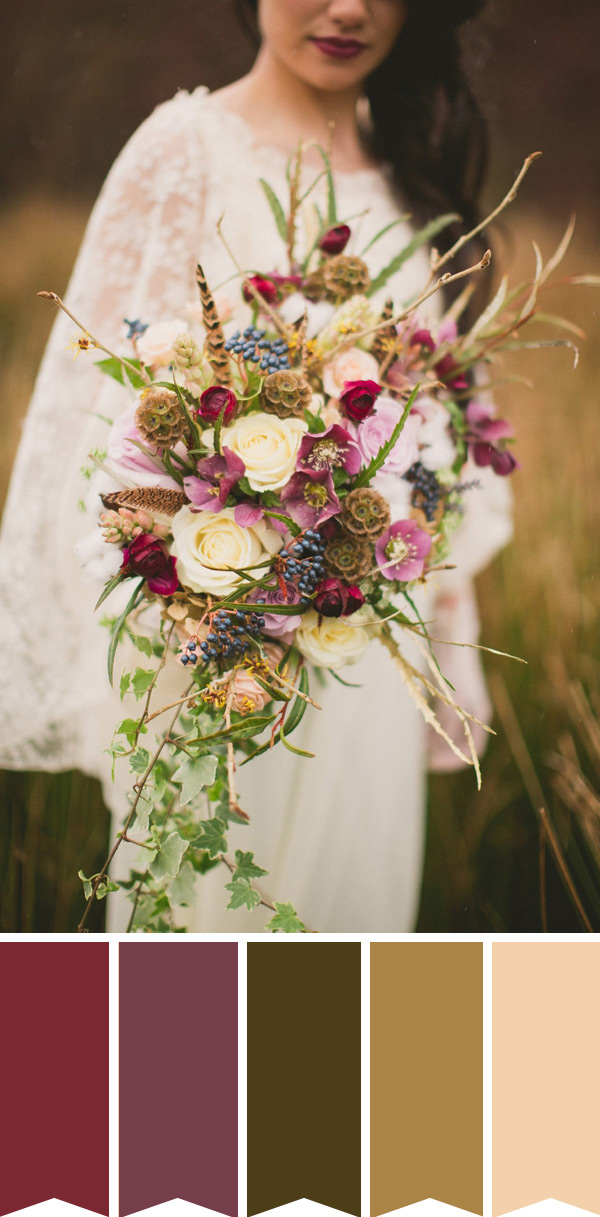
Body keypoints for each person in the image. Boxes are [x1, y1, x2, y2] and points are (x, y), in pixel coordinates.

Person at [0, 0, 512, 931]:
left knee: (345, 979)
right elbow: (92, 409)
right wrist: (198, 578)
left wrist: (421, 607)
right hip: (208, 654)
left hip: (363, 658)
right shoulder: (185, 147)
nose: (349, 8)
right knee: (199, 975)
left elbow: (436, 431)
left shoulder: (408, 170)